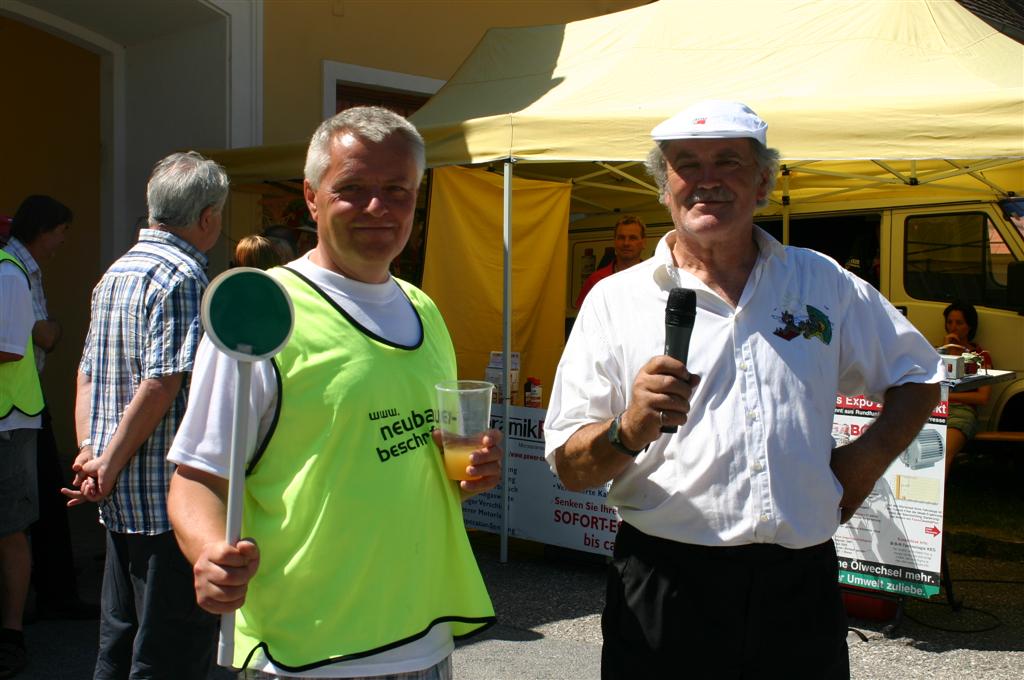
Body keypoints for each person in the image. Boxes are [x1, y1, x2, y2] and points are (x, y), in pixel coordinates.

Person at [544, 100, 944, 679]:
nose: (707, 180)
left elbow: (920, 374)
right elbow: (570, 467)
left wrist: (864, 461)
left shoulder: (819, 280)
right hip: (666, 585)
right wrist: (630, 426)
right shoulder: (615, 299)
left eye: (728, 161)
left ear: (762, 183)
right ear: (664, 187)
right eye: (686, 164)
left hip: (798, 587)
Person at [166, 106, 500, 678]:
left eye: (397, 190)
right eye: (352, 189)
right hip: (308, 650)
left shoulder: (425, 309)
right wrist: (206, 554)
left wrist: (467, 475)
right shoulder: (264, 311)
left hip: (424, 637)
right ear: (312, 196)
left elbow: (417, 466)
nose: (378, 207)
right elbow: (197, 477)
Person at [61, 151, 228, 679]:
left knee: (119, 642)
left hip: (118, 496)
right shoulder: (184, 276)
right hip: (165, 499)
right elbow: (162, 382)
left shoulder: (116, 272)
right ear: (206, 217)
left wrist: (90, 451)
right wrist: (105, 461)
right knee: (169, 653)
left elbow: (86, 372)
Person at [5, 196, 98, 622]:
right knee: (30, 510)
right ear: (44, 229)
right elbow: (41, 336)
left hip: (21, 404)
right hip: (19, 409)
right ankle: (48, 598)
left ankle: (49, 590)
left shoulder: (20, 267)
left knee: (33, 507)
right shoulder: (15, 270)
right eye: (61, 231)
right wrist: (56, 328)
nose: (63, 241)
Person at [0, 243, 44, 678]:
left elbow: (10, 348)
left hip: (9, 424)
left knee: (10, 529)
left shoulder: (8, 274)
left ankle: (11, 633)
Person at [939, 300, 992, 474]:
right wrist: (947, 351)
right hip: (936, 408)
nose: (953, 327)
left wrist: (949, 396)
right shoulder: (937, 352)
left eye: (959, 323)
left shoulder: (978, 356)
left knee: (942, 451)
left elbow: (982, 397)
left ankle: (936, 499)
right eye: (950, 322)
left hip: (962, 412)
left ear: (969, 326)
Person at [575, 215, 646, 307]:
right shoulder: (595, 280)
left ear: (644, 243)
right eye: (621, 237)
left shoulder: (655, 279)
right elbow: (582, 318)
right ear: (614, 241)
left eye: (632, 238)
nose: (626, 243)